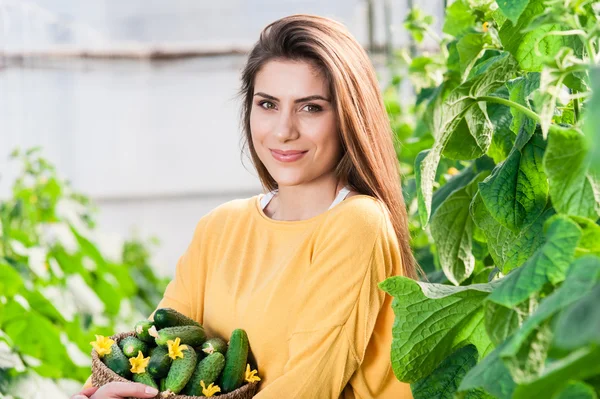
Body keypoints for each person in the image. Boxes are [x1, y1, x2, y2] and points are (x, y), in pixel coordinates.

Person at [75, 13, 417, 399]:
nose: (284, 130)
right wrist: (94, 394)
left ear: (348, 118)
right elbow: (158, 345)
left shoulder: (358, 223)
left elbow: (308, 385)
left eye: (311, 108)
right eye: (268, 104)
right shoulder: (220, 227)